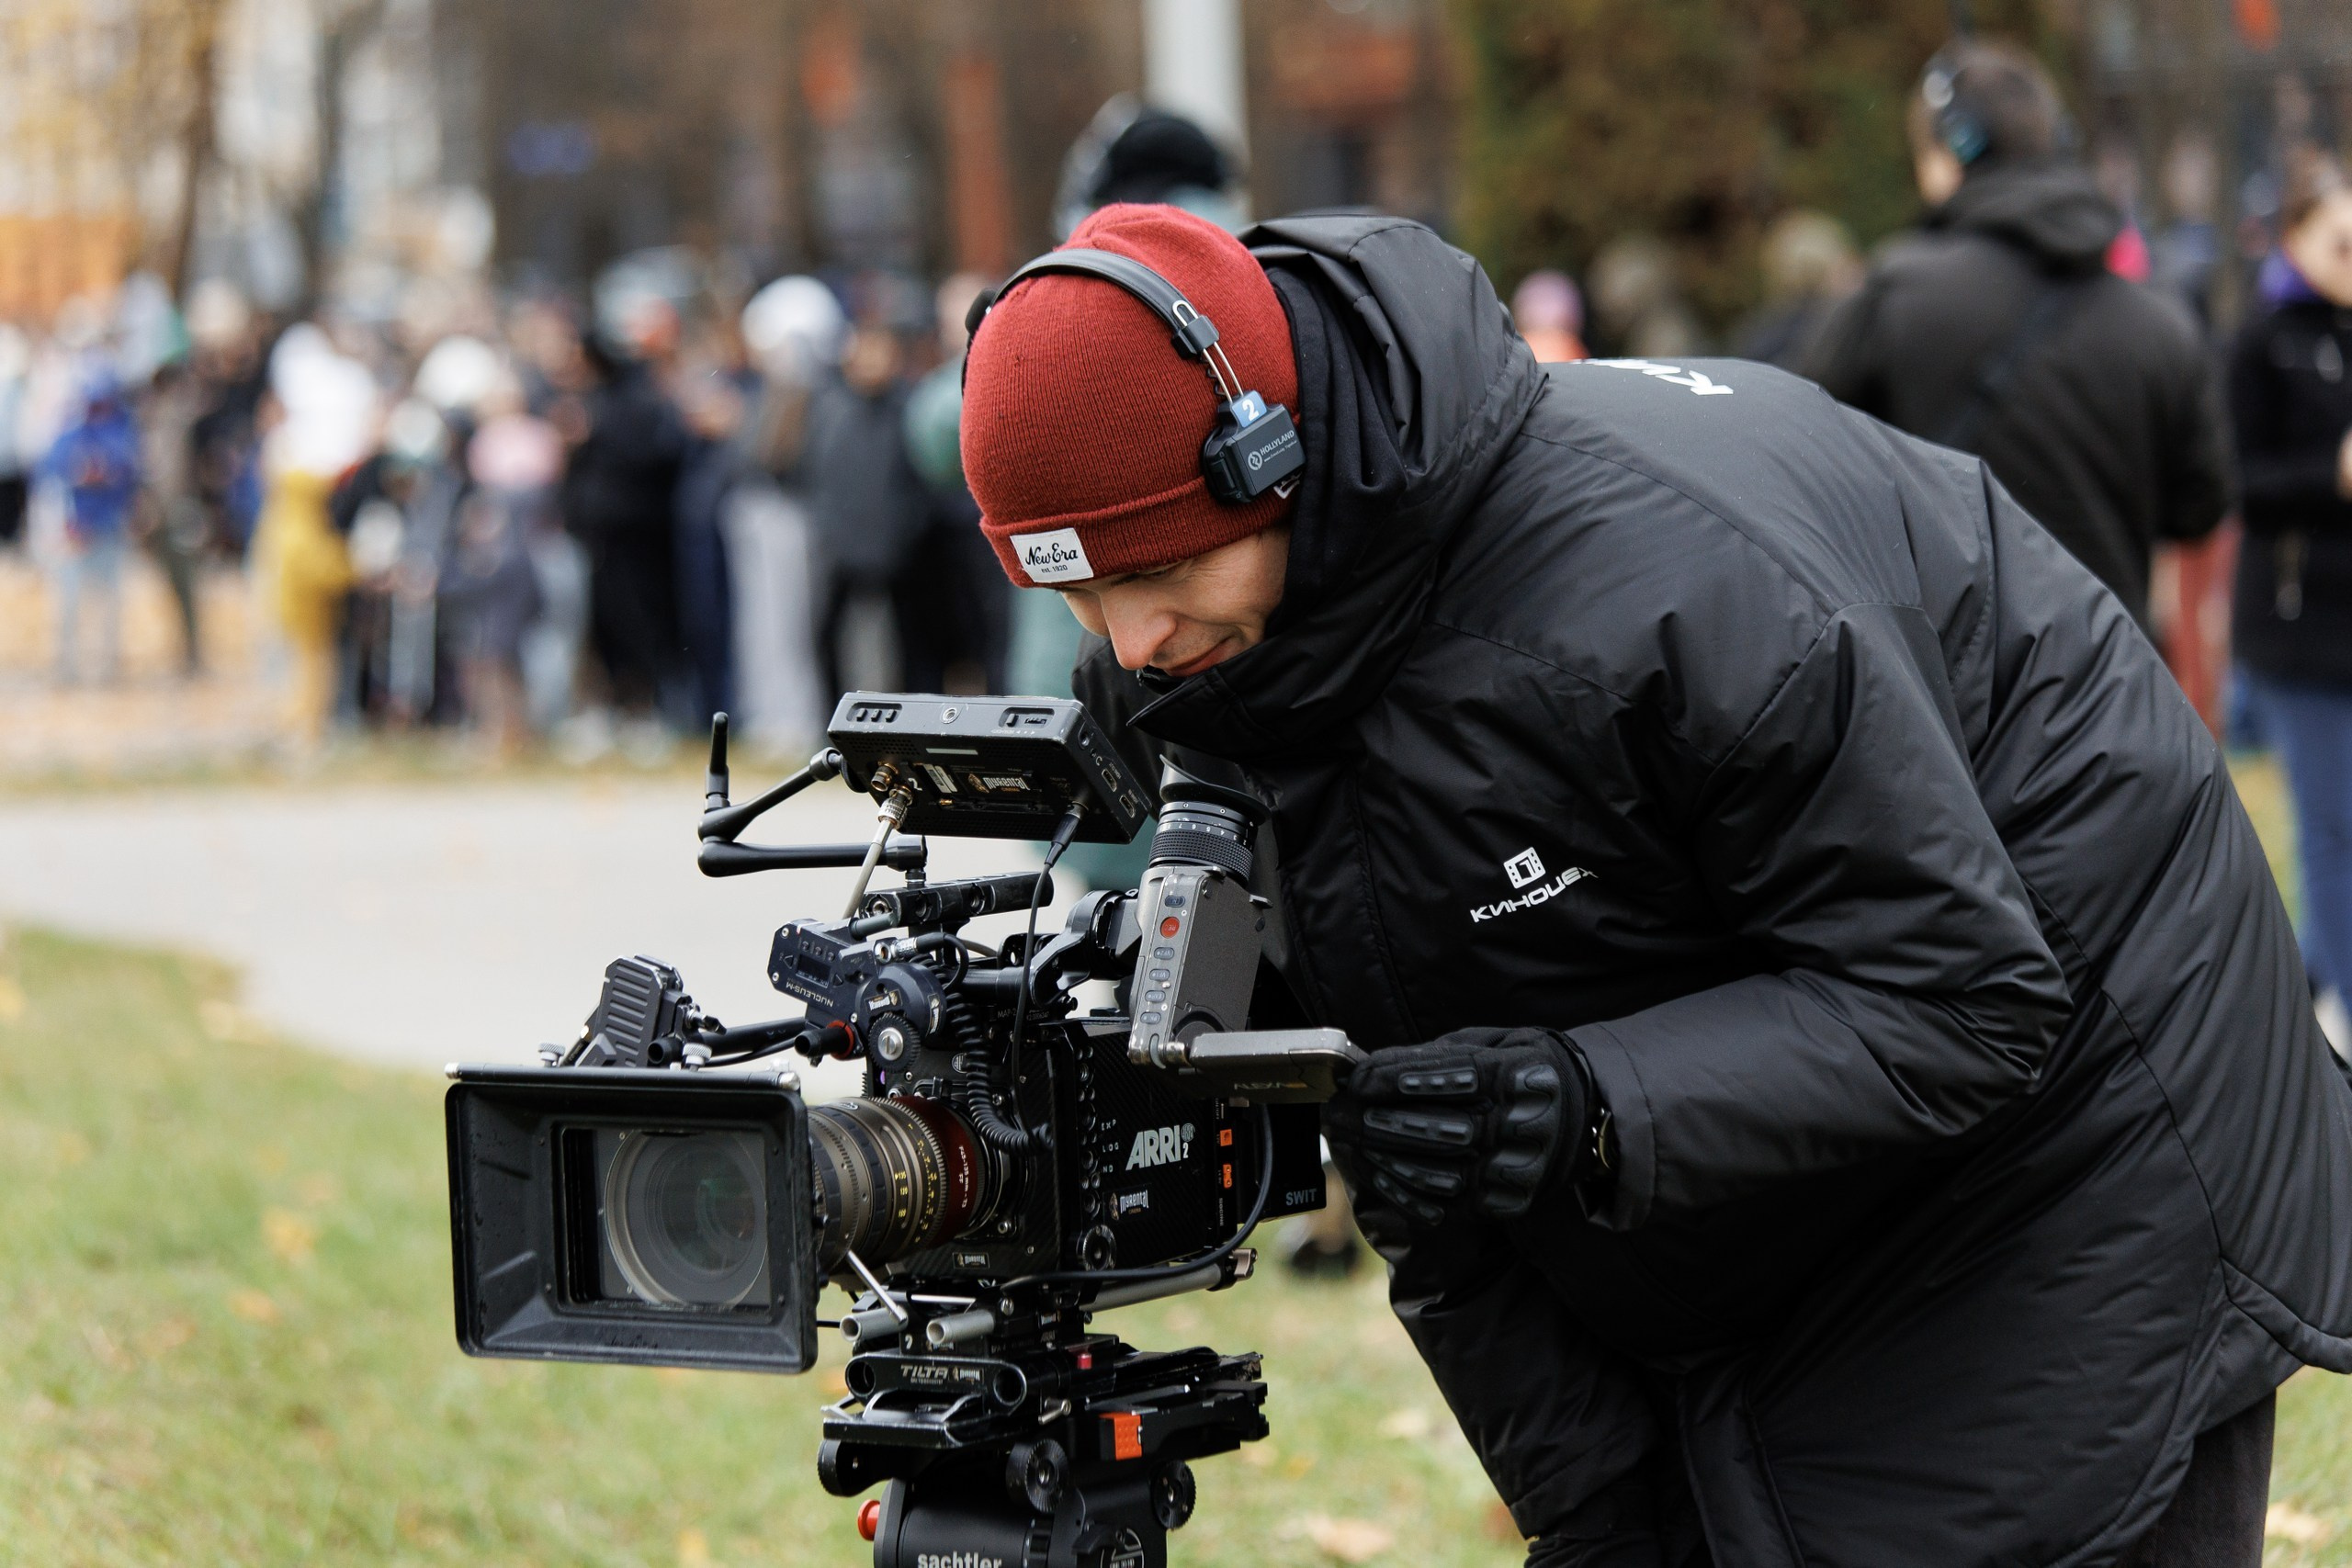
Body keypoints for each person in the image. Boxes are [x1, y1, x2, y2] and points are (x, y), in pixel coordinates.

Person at [957, 202, 2352, 1566]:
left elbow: (1968, 999)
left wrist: (1579, 1104)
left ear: (1277, 460)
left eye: (1161, 567)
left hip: (2092, 1108)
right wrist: (1595, 1510)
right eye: (1073, 597)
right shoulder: (1219, 670)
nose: (1130, 639)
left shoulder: (1671, 591)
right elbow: (1427, 1151)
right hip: (1790, 1128)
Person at [1805, 40, 2228, 633]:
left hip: (1948, 692)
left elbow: (1802, 463)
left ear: (1952, 152)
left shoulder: (1892, 296)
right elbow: (2200, 507)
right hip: (2113, 686)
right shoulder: (2160, 317)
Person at [2230, 155, 2352, 1045]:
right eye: (2341, 244)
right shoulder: (2260, 339)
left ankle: (2304, 983)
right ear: (2297, 237)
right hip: (2294, 627)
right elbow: (2238, 484)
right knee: (2330, 827)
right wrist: (2332, 476)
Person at [42, 369, 143, 684]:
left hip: (109, 531)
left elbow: (127, 475)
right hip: (76, 532)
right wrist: (80, 472)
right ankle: (67, 667)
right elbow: (53, 469)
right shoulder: (72, 433)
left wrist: (104, 473)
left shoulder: (123, 433)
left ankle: (108, 668)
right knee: (69, 605)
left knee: (109, 605)